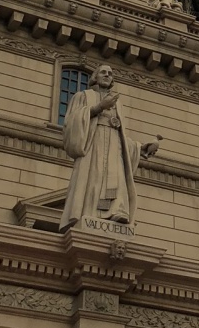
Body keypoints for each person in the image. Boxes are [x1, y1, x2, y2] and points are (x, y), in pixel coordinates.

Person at [59, 64, 160, 230]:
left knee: (116, 177)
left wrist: (140, 147)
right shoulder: (83, 96)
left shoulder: (117, 103)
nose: (107, 75)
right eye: (103, 72)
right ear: (95, 77)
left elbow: (119, 134)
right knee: (95, 176)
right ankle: (91, 211)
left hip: (114, 146)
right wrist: (99, 107)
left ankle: (116, 211)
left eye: (110, 74)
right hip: (93, 141)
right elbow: (72, 121)